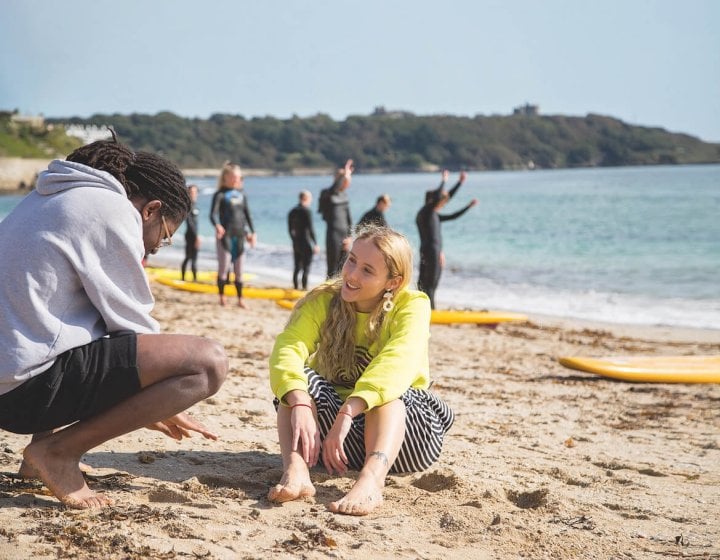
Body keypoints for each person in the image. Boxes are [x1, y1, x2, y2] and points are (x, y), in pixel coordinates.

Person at [0, 136, 229, 509]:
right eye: (165, 237)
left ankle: (34, 459)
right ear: (151, 210)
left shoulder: (52, 195)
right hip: (21, 393)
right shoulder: (111, 209)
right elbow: (132, 329)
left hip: (11, 378)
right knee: (208, 363)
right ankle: (57, 453)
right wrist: (158, 401)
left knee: (67, 322)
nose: (155, 249)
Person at [268, 225, 454, 516]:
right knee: (295, 384)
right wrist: (301, 401)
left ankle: (371, 482)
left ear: (393, 281)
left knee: (390, 395)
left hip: (404, 438)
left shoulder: (413, 306)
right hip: (332, 445)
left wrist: (349, 410)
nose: (352, 275)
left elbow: (396, 362)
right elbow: (287, 349)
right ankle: (296, 469)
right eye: (351, 260)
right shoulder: (324, 301)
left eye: (367, 270)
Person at [416, 170, 478, 309]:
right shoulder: (426, 212)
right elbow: (442, 196)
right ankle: (430, 312)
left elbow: (454, 216)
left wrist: (468, 206)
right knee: (429, 285)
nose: (443, 203)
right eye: (441, 201)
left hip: (432, 252)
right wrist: (451, 181)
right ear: (432, 201)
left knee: (427, 284)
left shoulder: (433, 215)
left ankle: (425, 310)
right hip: (430, 252)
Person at [209, 162, 257, 307]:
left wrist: (252, 233)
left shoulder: (242, 195)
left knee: (239, 271)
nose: (237, 179)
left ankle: (240, 299)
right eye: (234, 177)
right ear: (225, 177)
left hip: (240, 236)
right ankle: (222, 297)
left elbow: (247, 215)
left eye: (238, 177)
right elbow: (213, 214)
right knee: (223, 270)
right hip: (225, 237)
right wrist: (217, 225)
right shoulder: (220, 194)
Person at [318, 158, 353, 278]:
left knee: (344, 268)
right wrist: (344, 174)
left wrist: (350, 236)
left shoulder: (345, 196)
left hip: (345, 236)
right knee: (332, 268)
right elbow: (333, 189)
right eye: (345, 180)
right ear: (338, 180)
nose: (348, 183)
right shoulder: (326, 194)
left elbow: (348, 218)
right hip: (333, 235)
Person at [288, 190, 319, 290]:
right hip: (306, 242)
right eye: (310, 199)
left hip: (296, 242)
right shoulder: (307, 211)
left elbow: (290, 230)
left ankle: (295, 287)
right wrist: (316, 243)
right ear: (306, 198)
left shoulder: (292, 211)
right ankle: (304, 288)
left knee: (297, 267)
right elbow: (311, 228)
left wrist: (293, 240)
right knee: (306, 267)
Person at [181, 184, 200, 281]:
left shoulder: (195, 205)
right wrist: (196, 237)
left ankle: (194, 279)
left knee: (193, 258)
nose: (194, 194)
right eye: (192, 192)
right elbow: (190, 223)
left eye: (195, 192)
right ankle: (184, 279)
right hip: (190, 236)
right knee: (189, 257)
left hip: (194, 235)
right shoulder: (188, 206)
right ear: (188, 193)